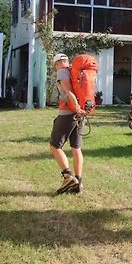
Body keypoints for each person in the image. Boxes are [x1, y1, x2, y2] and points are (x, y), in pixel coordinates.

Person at [49, 53, 86, 195]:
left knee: (55, 146)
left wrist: (76, 106)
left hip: (68, 112)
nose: (55, 68)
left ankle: (68, 176)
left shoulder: (62, 71)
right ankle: (78, 182)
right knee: (76, 148)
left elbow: (67, 90)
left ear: (58, 63)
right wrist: (80, 109)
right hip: (80, 114)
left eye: (55, 65)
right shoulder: (75, 72)